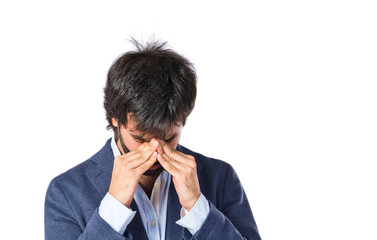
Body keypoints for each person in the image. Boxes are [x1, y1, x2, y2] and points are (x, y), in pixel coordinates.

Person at [44, 39, 261, 240]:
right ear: (115, 119)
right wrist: (113, 208)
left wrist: (199, 210)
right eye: (140, 139)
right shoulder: (65, 192)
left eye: (169, 137)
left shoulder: (220, 178)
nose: (156, 148)